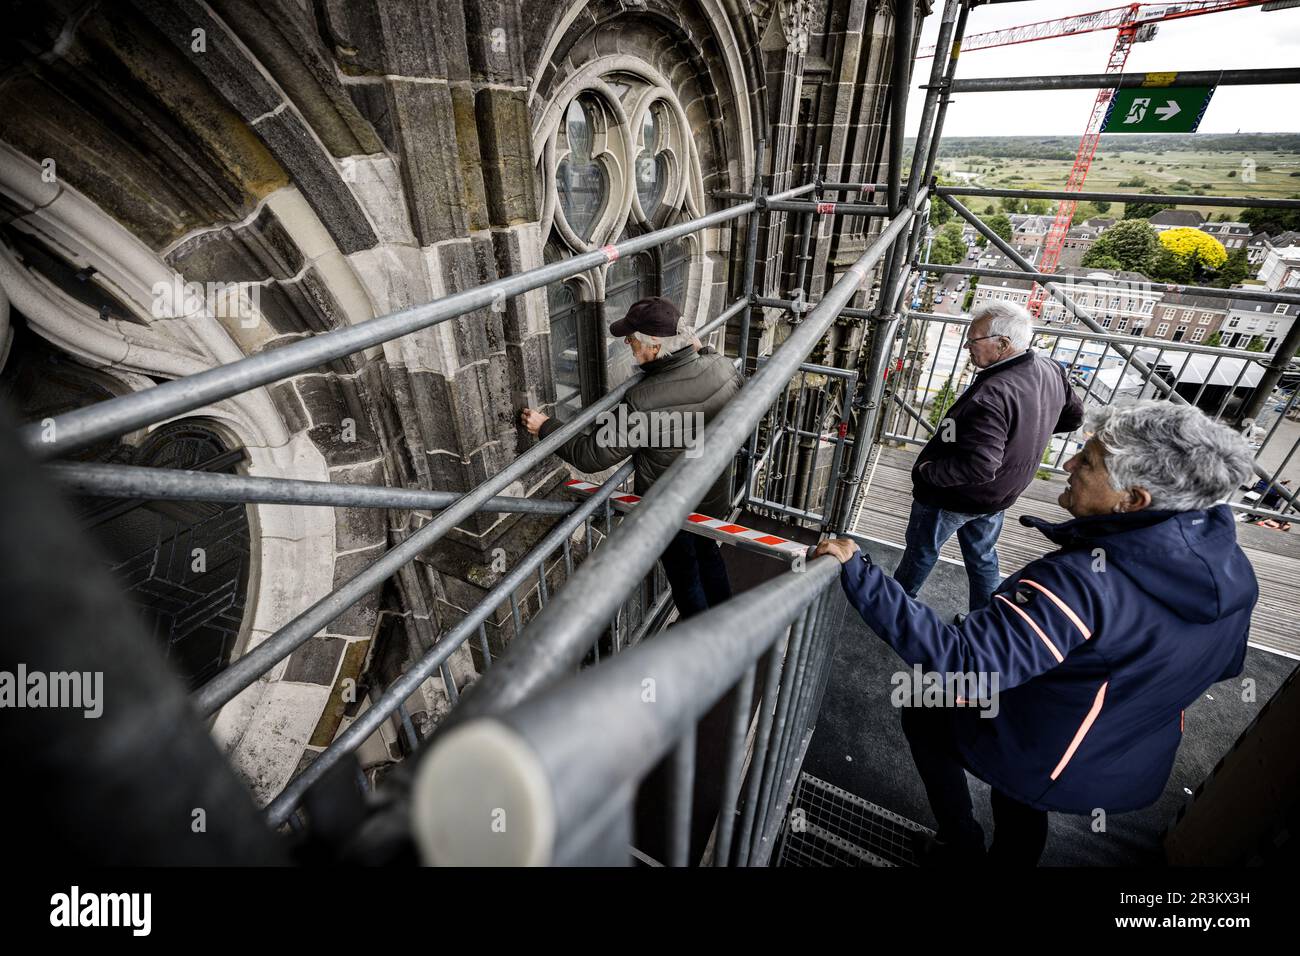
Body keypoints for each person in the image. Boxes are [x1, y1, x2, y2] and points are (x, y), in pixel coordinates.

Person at [814, 400, 1259, 865]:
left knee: (925, 708)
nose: (1068, 464)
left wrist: (860, 570)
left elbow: (963, 662)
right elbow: (1226, 666)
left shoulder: (1083, 582)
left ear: (1133, 499)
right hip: (1128, 748)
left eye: (1087, 461)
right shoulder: (1231, 569)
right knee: (1021, 800)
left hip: (1057, 750)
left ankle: (960, 845)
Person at [520, 296, 742, 619]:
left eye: (632, 338)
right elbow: (730, 386)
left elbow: (591, 454)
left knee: (686, 578)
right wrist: (702, 352)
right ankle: (725, 621)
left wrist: (545, 427)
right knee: (709, 552)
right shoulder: (721, 367)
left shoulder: (642, 400)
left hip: (670, 510)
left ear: (655, 347)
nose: (627, 343)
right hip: (712, 497)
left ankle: (703, 637)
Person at [898, 302, 1083, 613]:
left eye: (974, 340)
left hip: (954, 496)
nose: (967, 346)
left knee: (921, 551)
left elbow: (980, 465)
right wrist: (1026, 433)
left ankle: (895, 607)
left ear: (1003, 344)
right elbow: (1073, 418)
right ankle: (985, 620)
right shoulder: (1050, 369)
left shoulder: (992, 394)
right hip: (999, 495)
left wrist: (928, 472)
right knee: (983, 558)